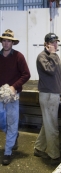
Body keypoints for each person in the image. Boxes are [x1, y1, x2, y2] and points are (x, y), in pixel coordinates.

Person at [34, 33, 61, 165]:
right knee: (52, 126)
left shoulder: (54, 56)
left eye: (56, 42)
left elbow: (58, 74)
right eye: (53, 42)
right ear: (46, 44)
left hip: (53, 94)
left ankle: (39, 148)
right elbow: (50, 70)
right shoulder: (42, 57)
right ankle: (53, 155)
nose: (55, 45)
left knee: (48, 124)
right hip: (47, 95)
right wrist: (53, 55)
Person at [0, 29, 31, 165]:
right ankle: (14, 135)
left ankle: (8, 151)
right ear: (1, 42)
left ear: (13, 42)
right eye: (4, 40)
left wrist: (14, 87)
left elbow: (26, 74)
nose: (6, 43)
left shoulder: (19, 57)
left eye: (9, 41)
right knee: (1, 120)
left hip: (13, 95)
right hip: (0, 94)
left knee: (12, 121)